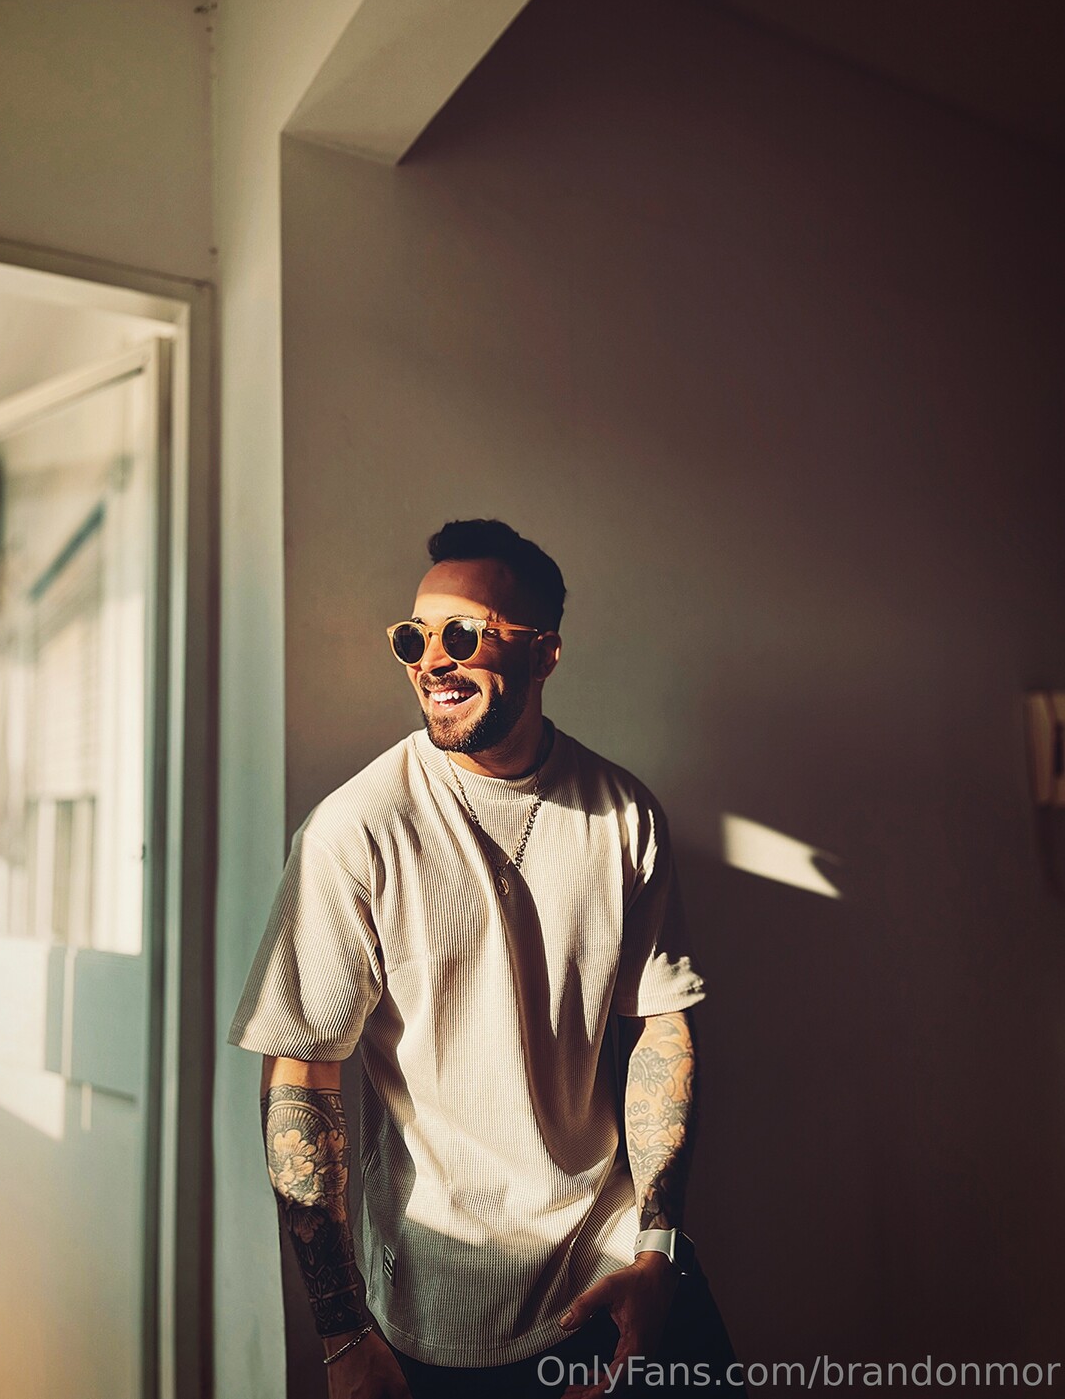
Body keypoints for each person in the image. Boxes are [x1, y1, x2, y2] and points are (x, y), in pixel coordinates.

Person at [229, 520, 738, 1397]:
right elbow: (301, 1074)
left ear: (544, 653)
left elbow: (660, 1028)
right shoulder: (354, 830)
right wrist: (343, 1334)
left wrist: (658, 1249)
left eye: (463, 634)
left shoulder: (623, 813)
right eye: (414, 638)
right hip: (443, 1313)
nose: (432, 660)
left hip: (618, 1271)